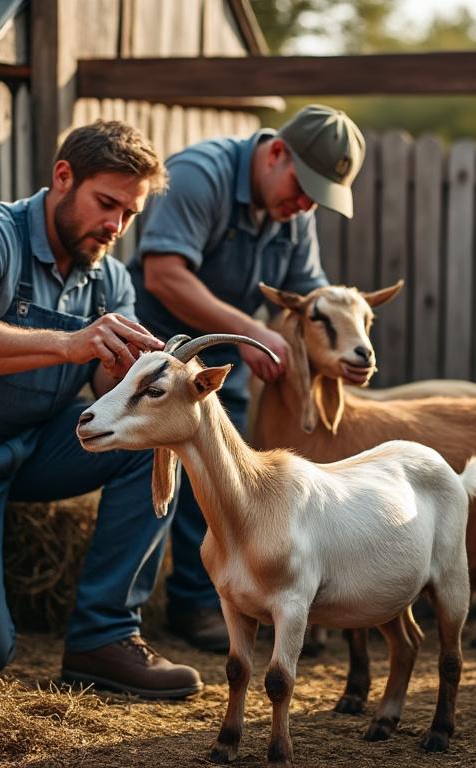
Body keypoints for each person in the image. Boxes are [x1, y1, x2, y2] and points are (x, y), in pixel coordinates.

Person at [0, 121, 205, 699]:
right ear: (62, 177)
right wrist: (71, 342)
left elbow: (108, 380)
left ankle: (104, 637)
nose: (115, 226)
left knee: (152, 439)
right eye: (106, 204)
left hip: (31, 447)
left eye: (129, 214)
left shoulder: (111, 277)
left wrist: (138, 371)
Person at [127, 104, 366, 651]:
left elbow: (310, 294)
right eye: (304, 188)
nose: (306, 205)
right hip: (156, 357)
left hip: (223, 368)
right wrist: (248, 332)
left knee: (224, 481)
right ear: (276, 152)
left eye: (317, 199)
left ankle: (227, 601)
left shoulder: (293, 214)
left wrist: (338, 348)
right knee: (160, 485)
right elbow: (164, 275)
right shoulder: (199, 175)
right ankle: (151, 617)